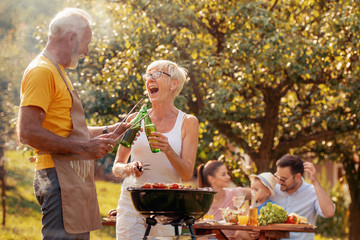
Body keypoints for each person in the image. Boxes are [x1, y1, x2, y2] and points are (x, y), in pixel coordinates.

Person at [17, 8, 130, 239]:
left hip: (71, 179)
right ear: (71, 39)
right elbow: (27, 132)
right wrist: (85, 148)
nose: (87, 52)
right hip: (57, 178)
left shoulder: (59, 72)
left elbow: (68, 131)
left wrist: (111, 130)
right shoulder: (42, 71)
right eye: (86, 44)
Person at [112, 60, 200, 239]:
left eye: (157, 74)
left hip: (167, 205)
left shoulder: (188, 122)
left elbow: (186, 174)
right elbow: (117, 166)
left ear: (174, 84)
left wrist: (168, 149)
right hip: (132, 201)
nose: (149, 79)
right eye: (147, 75)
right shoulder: (136, 118)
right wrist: (129, 168)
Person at [270, 154, 335, 240]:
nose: (278, 181)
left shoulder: (312, 192)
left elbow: (329, 213)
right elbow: (252, 192)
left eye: (283, 179)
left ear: (297, 177)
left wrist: (315, 182)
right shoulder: (272, 188)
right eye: (277, 176)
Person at [197, 160, 251, 240]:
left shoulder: (235, 193)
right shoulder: (203, 201)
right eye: (223, 174)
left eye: (227, 173)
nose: (228, 177)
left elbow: (256, 192)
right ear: (211, 179)